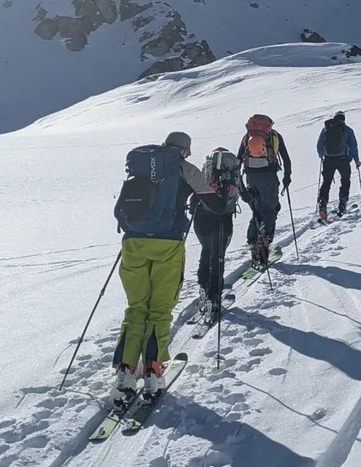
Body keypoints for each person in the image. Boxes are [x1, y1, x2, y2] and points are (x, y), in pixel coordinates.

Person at [111, 131, 208, 399]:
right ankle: (153, 371)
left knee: (136, 307)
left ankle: (126, 370)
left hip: (133, 243)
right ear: (184, 150)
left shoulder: (141, 164)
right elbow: (209, 194)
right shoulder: (184, 168)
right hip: (168, 244)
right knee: (160, 309)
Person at [189, 147, 241, 321]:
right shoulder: (231, 176)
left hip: (201, 219)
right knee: (218, 257)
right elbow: (243, 193)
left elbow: (193, 195)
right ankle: (214, 298)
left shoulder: (205, 172)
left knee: (206, 250)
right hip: (222, 219)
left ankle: (203, 288)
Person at [236, 114, 292, 268]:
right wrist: (287, 177)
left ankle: (253, 242)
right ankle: (265, 238)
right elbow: (286, 159)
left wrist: (241, 189)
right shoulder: (275, 136)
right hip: (269, 178)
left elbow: (237, 162)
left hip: (251, 178)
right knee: (270, 209)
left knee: (256, 211)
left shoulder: (247, 137)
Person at [316, 110, 361, 222]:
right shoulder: (347, 130)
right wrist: (354, 159)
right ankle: (342, 204)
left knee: (326, 183)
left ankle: (322, 204)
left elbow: (319, 145)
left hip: (328, 160)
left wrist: (322, 155)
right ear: (344, 119)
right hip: (342, 160)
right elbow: (353, 145)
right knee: (345, 181)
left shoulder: (326, 128)